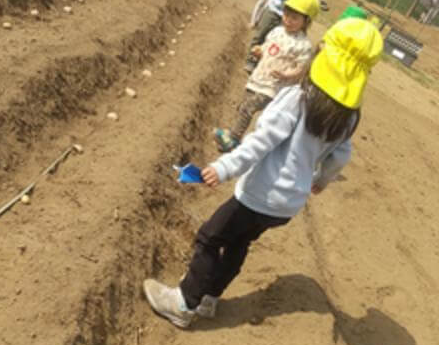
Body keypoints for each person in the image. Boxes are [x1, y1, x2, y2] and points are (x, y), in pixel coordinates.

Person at [143, 18, 384, 328]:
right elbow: (340, 156)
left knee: (209, 236)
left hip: (258, 194)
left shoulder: (298, 99)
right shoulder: (348, 118)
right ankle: (209, 298)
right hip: (286, 206)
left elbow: (260, 142)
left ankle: (184, 303)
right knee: (239, 243)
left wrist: (224, 166)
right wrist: (320, 181)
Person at [215, 0, 320, 153]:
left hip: (274, 87)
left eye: (294, 18)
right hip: (258, 78)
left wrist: (287, 75)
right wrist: (259, 50)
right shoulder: (277, 31)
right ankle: (236, 134)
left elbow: (300, 69)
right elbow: (267, 48)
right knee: (243, 106)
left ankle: (233, 139)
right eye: (286, 15)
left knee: (249, 107)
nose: (288, 20)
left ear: (306, 21)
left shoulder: (303, 45)